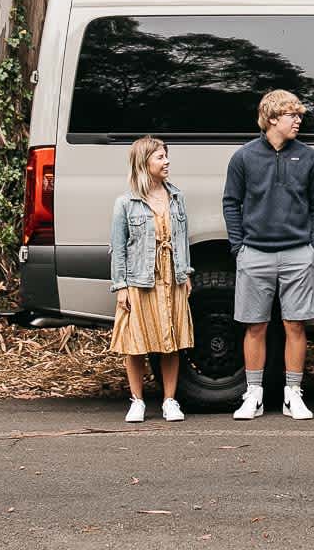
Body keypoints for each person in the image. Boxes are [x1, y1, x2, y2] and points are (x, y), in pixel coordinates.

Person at [222, 89, 314, 420]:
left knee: (295, 324)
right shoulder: (244, 157)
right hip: (255, 253)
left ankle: (292, 394)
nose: (299, 121)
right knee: (255, 326)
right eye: (292, 115)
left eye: (299, 115)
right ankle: (253, 394)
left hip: (298, 253)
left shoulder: (309, 156)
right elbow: (231, 202)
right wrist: (239, 247)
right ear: (271, 119)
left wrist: (313, 247)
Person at [109, 136, 194, 423]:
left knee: (172, 340)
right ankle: (137, 401)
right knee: (136, 343)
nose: (166, 161)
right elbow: (118, 248)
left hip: (172, 277)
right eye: (160, 157)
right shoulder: (126, 203)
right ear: (144, 163)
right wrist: (121, 286)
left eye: (166, 155)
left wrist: (186, 274)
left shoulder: (176, 197)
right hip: (139, 279)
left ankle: (170, 400)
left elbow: (182, 239)